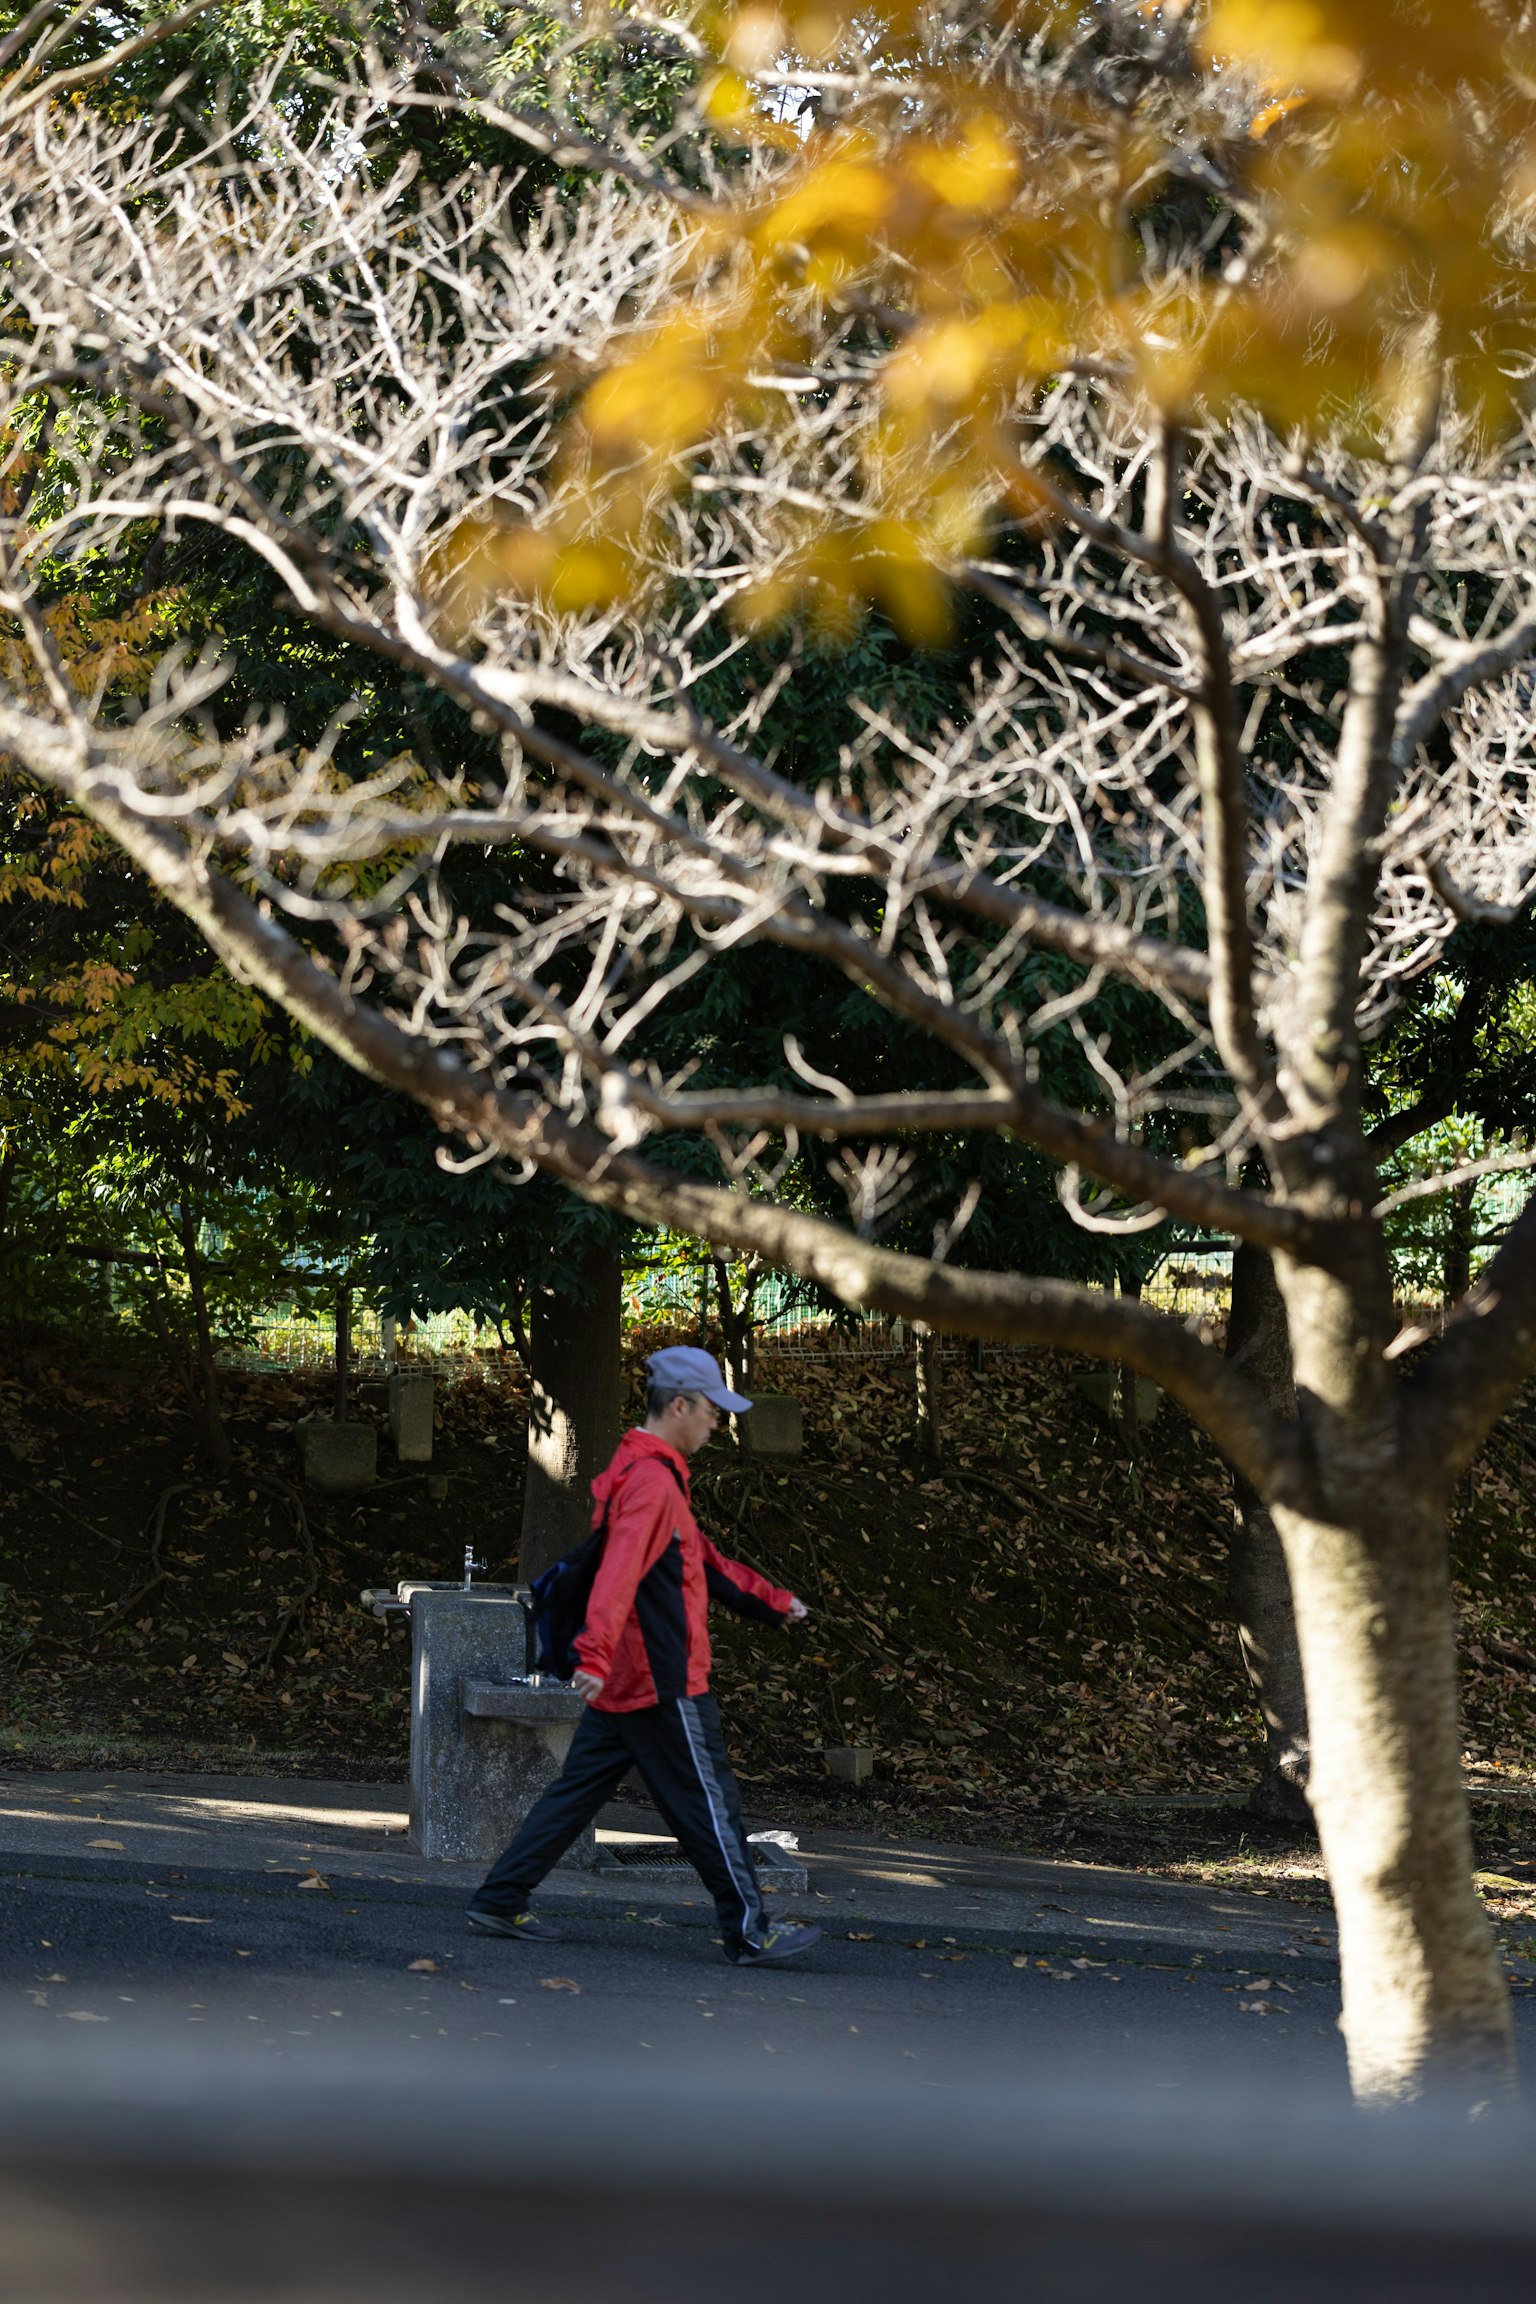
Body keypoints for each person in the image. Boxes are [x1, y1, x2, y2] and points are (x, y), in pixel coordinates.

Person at [466, 1345, 823, 1968]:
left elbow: (699, 1560)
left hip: (627, 1680)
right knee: (711, 1806)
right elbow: (617, 1576)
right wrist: (594, 1657)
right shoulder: (653, 1483)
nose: (718, 1422)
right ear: (680, 1405)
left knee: (574, 1795)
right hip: (661, 1681)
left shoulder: (648, 1474)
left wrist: (772, 1602)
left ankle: (499, 1898)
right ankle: (750, 1932)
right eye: (712, 1410)